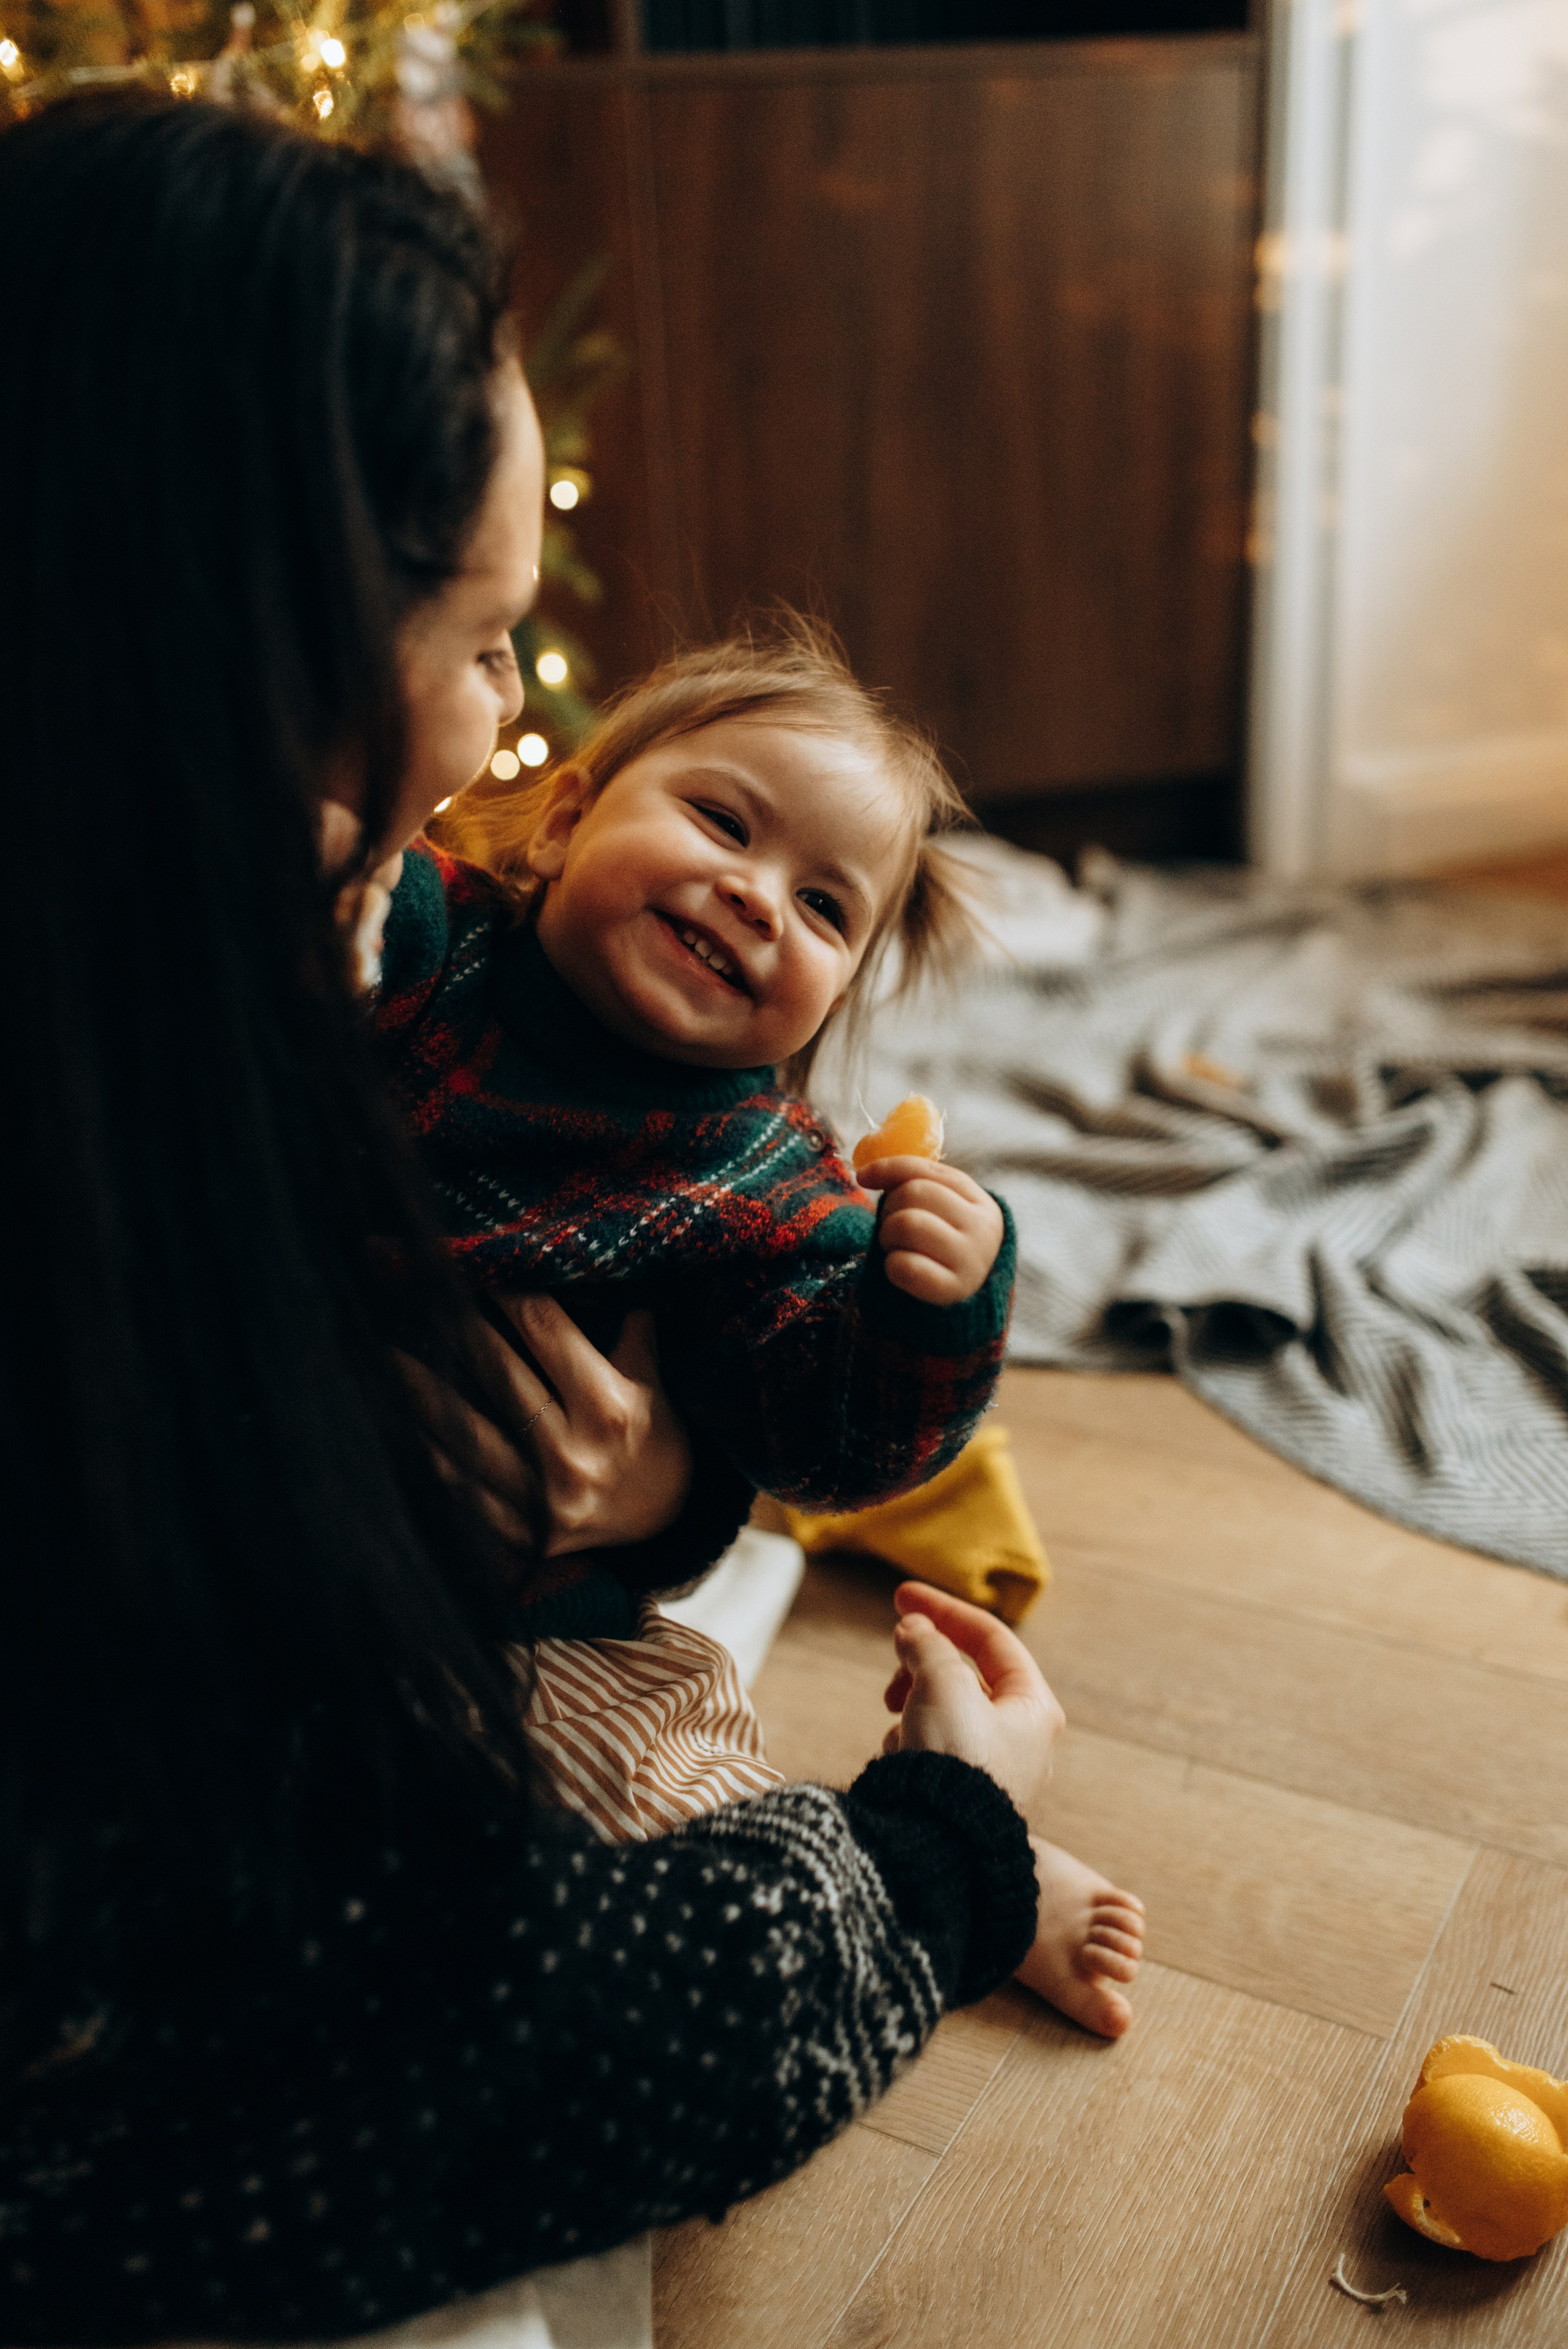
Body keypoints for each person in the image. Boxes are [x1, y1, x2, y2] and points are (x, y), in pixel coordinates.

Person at [0, 91, 1089, 2344]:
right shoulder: (363, 960)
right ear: (244, 661)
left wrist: (713, 1449)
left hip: (545, 1586)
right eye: (487, 646)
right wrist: (947, 1844)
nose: (497, 730)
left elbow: (833, 1396)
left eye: (823, 908)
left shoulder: (735, 1154)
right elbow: (440, 2050)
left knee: (676, 1681)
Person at [371, 634, 1146, 2034]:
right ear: (564, 818)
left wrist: (933, 1304)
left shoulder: (772, 1184)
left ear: (833, 999)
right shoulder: (439, 949)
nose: (753, 897)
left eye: (823, 906)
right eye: (721, 820)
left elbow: (830, 1443)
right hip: (263, 1539)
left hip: (534, 1627)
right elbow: (313, 920)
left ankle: (948, 1856)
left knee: (674, 1807)